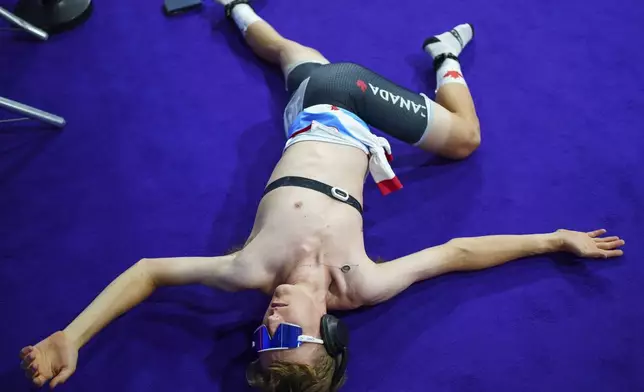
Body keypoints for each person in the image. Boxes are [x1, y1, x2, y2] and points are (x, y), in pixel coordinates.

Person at [19, 1, 626, 391]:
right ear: (331, 334)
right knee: (463, 139)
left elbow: (149, 272)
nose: (270, 323)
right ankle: (442, 55)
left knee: (291, 57)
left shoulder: (247, 271)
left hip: (319, 105)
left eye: (263, 339)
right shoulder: (362, 284)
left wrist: (73, 335)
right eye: (287, 336)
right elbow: (457, 254)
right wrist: (550, 239)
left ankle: (233, 6)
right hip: (356, 109)